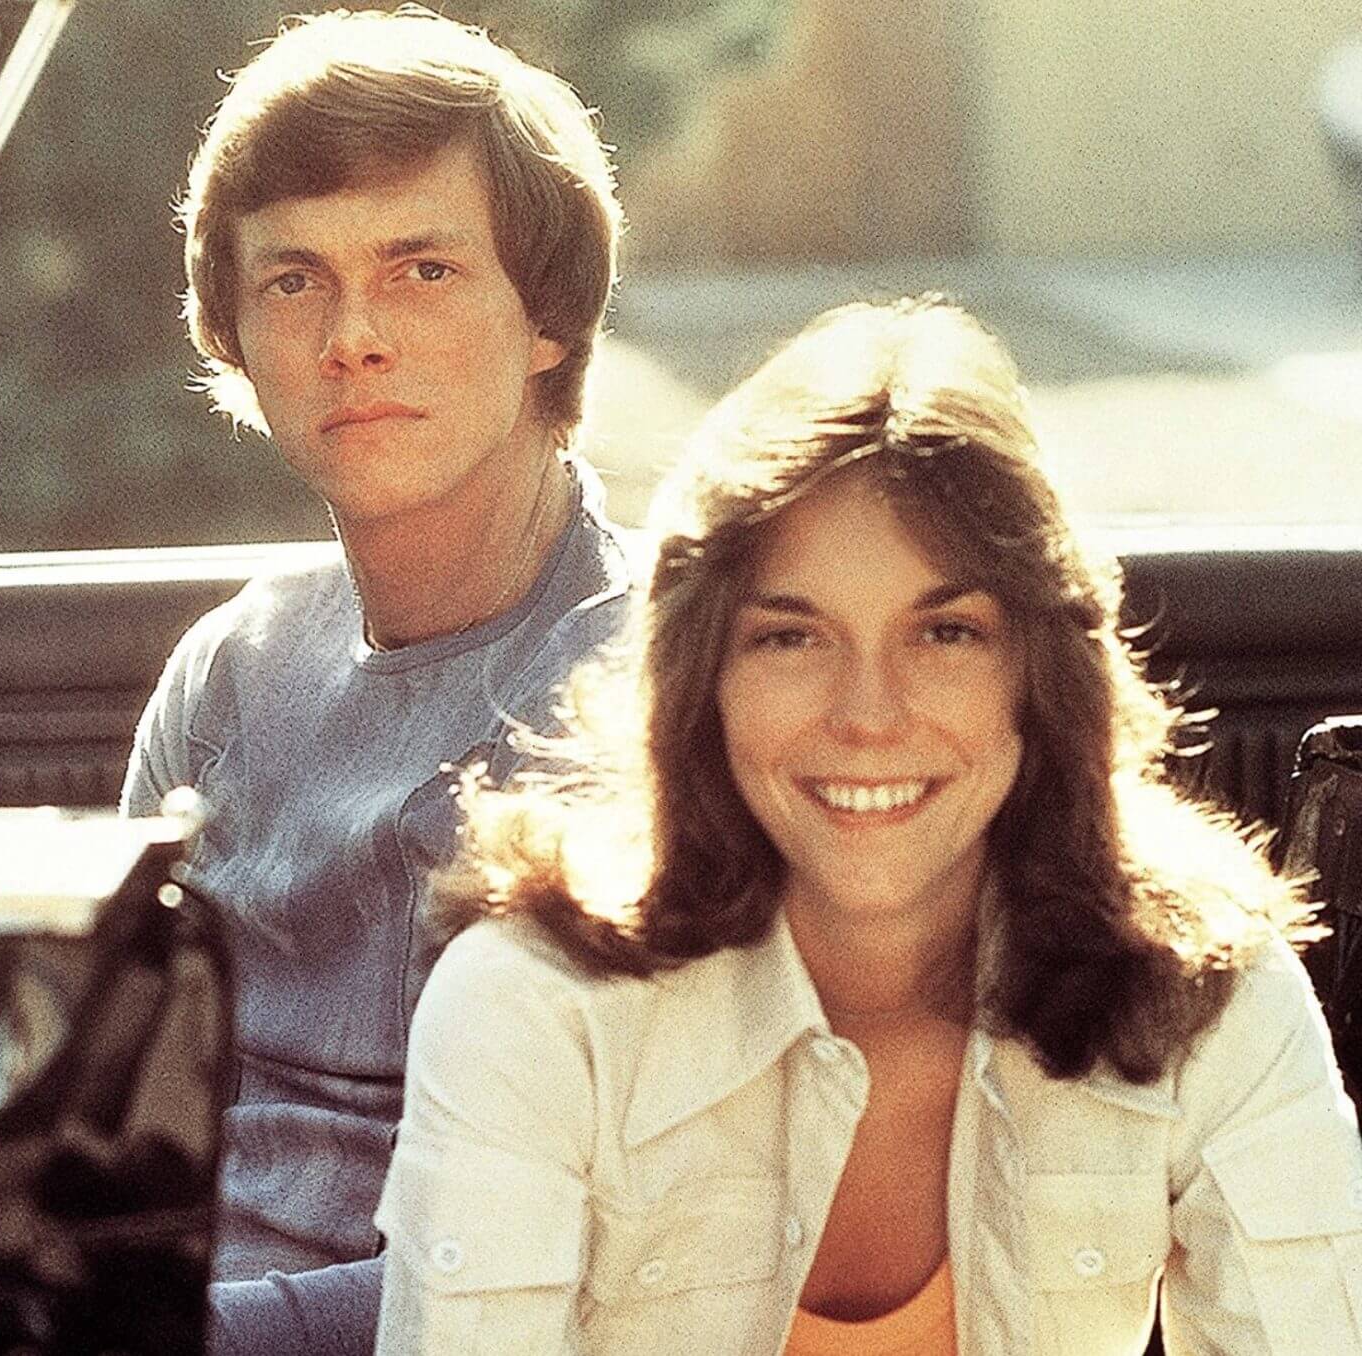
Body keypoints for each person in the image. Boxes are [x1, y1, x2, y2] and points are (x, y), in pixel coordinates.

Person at [375, 297, 1362, 1353]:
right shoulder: (531, 1009)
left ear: (1038, 673)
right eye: (791, 638)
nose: (870, 716)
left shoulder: (1208, 991)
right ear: (704, 678)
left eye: (946, 633)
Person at [121, 7, 627, 1352]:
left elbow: (595, 1260)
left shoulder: (652, 688)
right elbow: (109, 1104)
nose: (353, 336)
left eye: (423, 270)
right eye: (294, 282)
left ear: (548, 319)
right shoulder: (228, 672)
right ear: (235, 333)